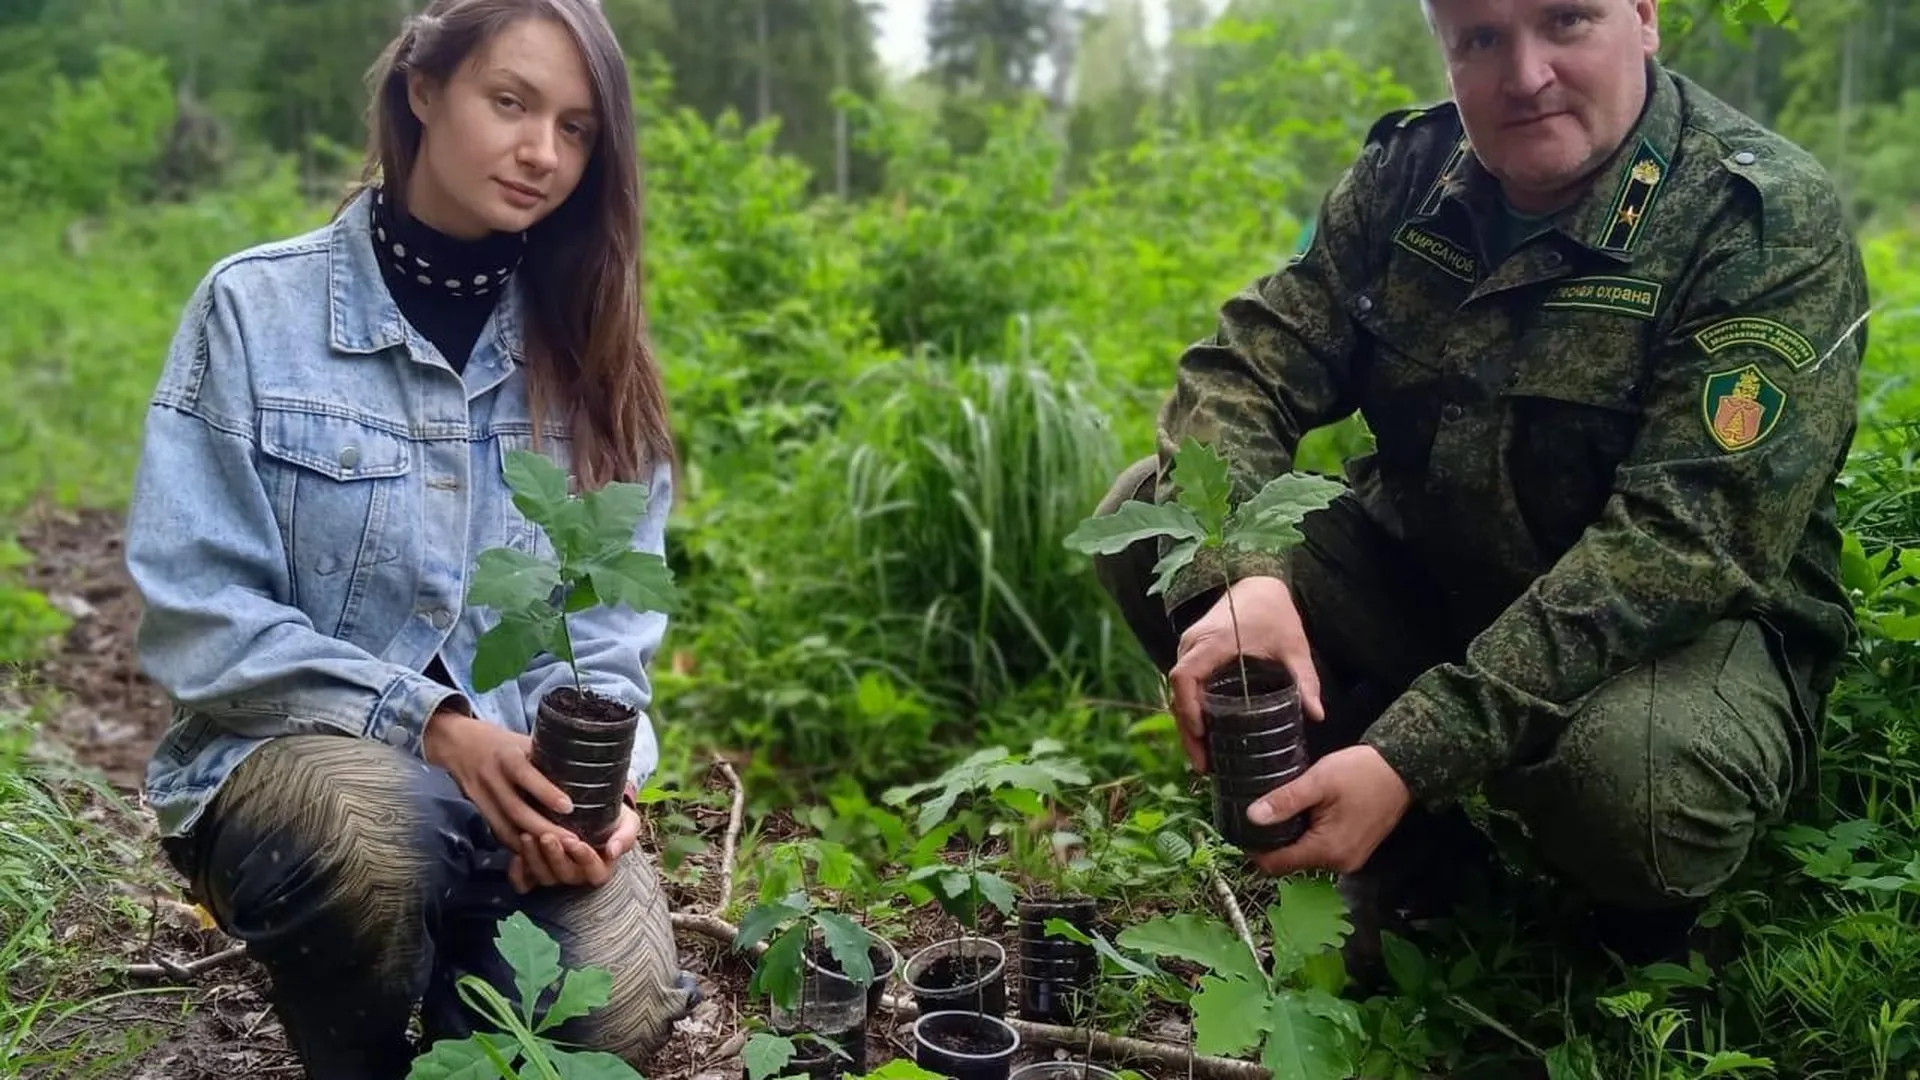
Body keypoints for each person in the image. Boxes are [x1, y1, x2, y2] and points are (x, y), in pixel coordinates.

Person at [1091, 0, 1868, 981]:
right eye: (1481, 40)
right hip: (1443, 579)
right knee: (1145, 519)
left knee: (1629, 785)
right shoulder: (1410, 175)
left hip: (1670, 640)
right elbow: (1245, 365)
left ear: (1643, 16)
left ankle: (1640, 935)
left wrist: (1411, 754)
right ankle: (1410, 862)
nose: (1525, 75)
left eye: (1566, 22)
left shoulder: (1755, 216)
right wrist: (1244, 569)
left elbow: (1679, 549)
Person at [122, 1, 698, 1075]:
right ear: (423, 90)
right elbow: (201, 614)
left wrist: (605, 794)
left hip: (524, 808)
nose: (541, 152)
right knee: (377, 835)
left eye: (577, 128)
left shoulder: (595, 346)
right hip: (294, 777)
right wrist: (433, 726)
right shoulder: (256, 312)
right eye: (511, 101)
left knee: (611, 1014)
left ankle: (457, 995)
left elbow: (612, 637)